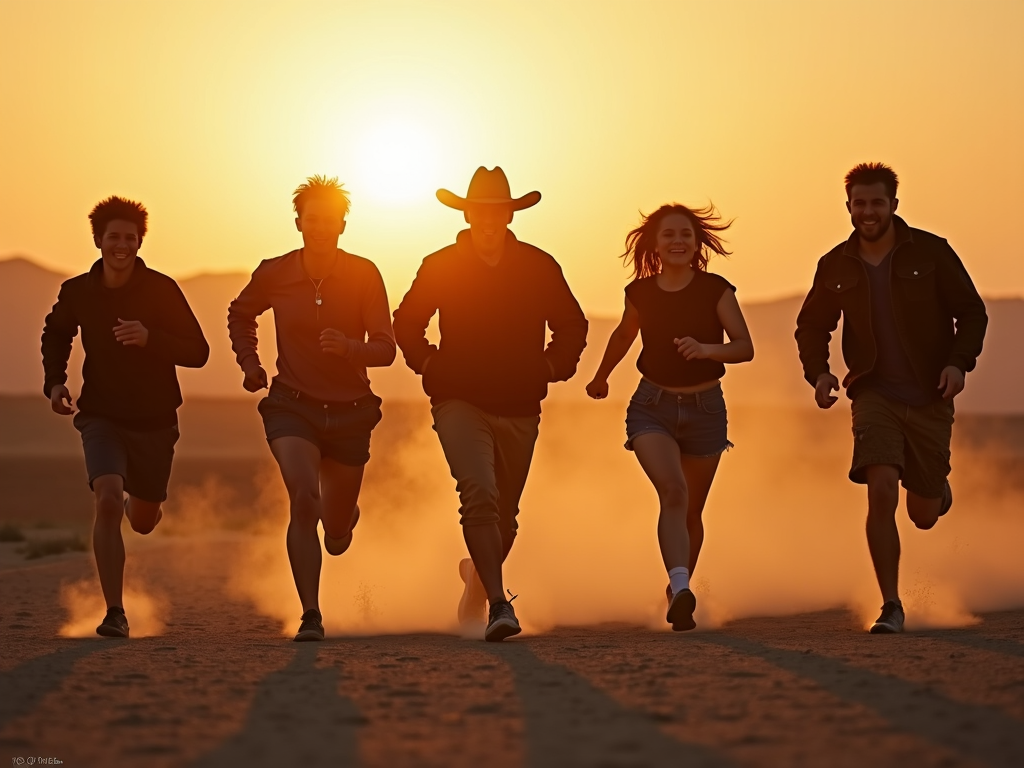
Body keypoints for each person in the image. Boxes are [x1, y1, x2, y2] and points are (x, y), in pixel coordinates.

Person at [393, 167, 588, 642]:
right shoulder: (440, 265)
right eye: (479, 210)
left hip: (520, 404)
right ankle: (500, 604)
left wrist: (548, 368)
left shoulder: (539, 266)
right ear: (467, 213)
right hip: (459, 400)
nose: (487, 219)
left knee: (506, 517)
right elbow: (407, 322)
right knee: (478, 492)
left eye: (497, 210)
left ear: (508, 214)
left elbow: (572, 326)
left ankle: (477, 585)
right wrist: (430, 366)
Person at [795, 163, 987, 634]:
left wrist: (958, 364)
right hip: (873, 390)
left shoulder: (932, 252)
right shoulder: (835, 264)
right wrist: (819, 374)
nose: (867, 211)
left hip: (929, 393)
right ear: (848, 207)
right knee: (880, 490)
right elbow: (812, 326)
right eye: (859, 203)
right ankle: (891, 605)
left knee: (921, 514)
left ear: (893, 205)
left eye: (876, 202)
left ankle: (935, 491)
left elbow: (972, 313)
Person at [228, 175, 396, 642]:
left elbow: (386, 348)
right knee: (304, 499)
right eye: (312, 219)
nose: (320, 227)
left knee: (336, 534)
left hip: (350, 412)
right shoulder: (275, 272)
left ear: (343, 223)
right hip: (292, 406)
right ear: (299, 221)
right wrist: (250, 363)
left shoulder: (364, 274)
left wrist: (349, 348)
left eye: (330, 219)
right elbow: (240, 313)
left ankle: (343, 522)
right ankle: (310, 614)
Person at [41, 197, 210, 638]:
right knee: (108, 498)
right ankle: (115, 612)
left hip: (155, 420)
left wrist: (150, 337)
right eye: (113, 237)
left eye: (130, 238)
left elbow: (198, 352)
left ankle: (146, 502)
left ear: (139, 243)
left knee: (142, 520)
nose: (121, 245)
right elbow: (56, 333)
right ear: (98, 241)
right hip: (101, 415)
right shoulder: (77, 291)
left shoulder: (161, 289)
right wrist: (55, 382)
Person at [586, 203, 753, 631]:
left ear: (697, 244)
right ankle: (682, 589)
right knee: (674, 493)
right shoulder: (639, 292)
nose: (678, 242)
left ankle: (677, 587)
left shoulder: (716, 290)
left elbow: (743, 346)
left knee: (692, 510)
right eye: (669, 235)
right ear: (654, 245)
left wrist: (707, 349)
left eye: (685, 235)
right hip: (651, 407)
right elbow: (624, 334)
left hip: (706, 410)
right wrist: (601, 376)